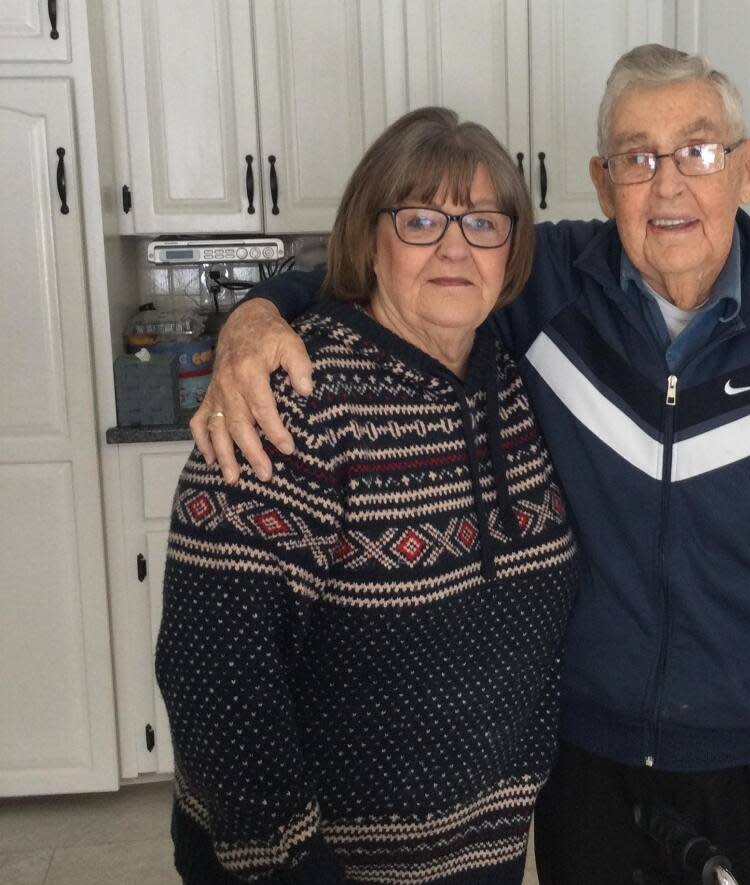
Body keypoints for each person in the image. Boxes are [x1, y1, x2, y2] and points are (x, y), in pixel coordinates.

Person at [192, 46, 750, 885]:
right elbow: (405, 255)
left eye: (695, 150)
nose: (668, 184)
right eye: (636, 158)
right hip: (591, 766)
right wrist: (259, 312)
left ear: (746, 168)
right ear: (602, 182)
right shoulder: (540, 292)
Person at [155, 107, 579, 885]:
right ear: (370, 239)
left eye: (483, 222)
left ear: (512, 246)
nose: (455, 246)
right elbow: (214, 670)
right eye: (420, 219)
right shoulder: (292, 396)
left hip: (483, 854)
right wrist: (290, 863)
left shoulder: (512, 379)